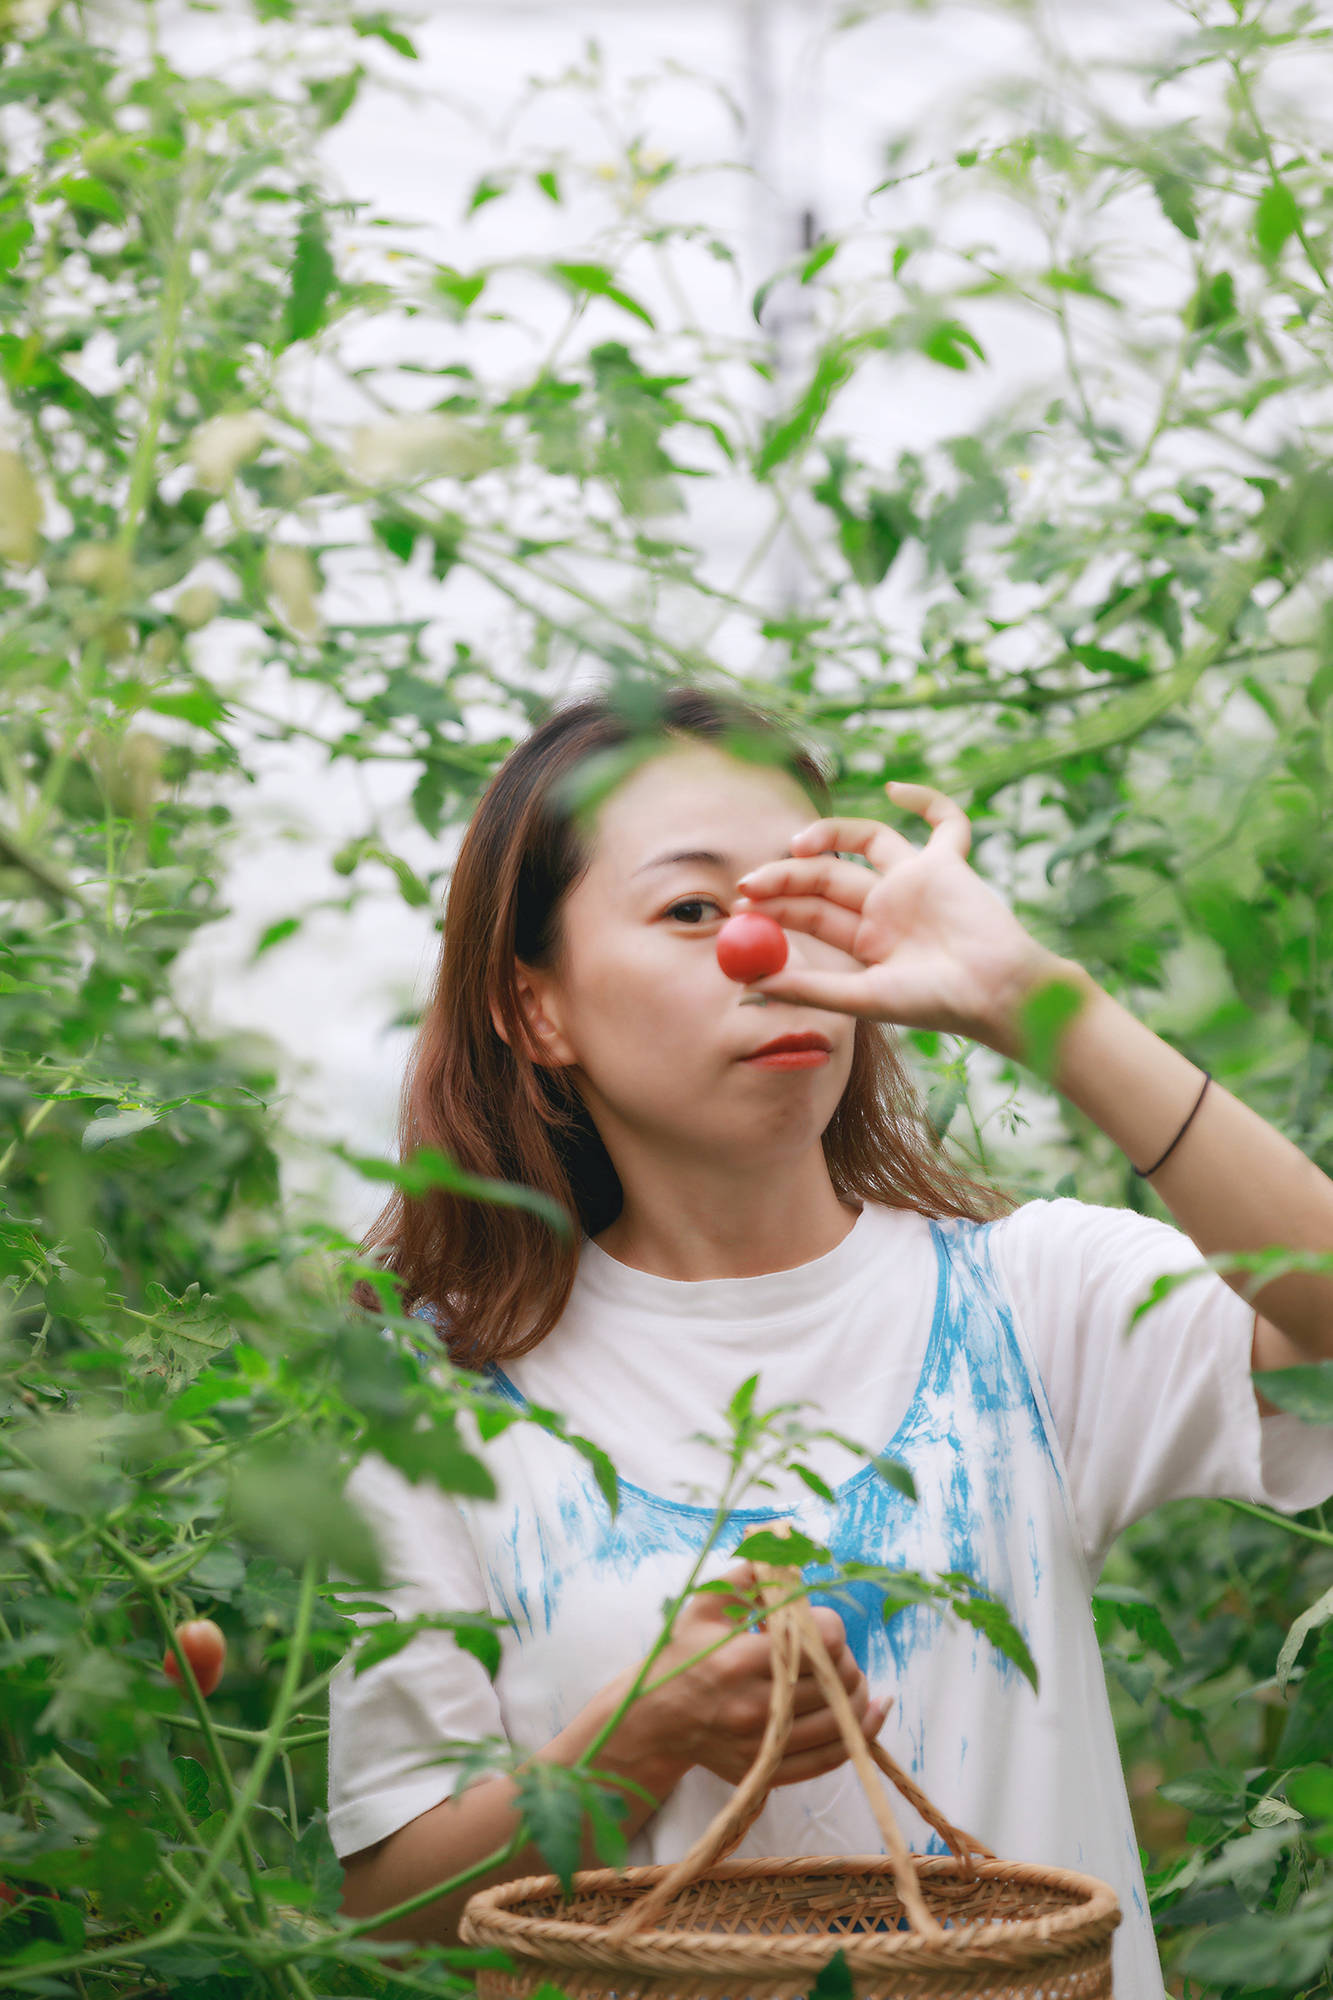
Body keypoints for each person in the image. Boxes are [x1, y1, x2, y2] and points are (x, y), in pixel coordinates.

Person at [329, 682, 1333, 1994]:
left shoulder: (1028, 1299)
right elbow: (390, 1914)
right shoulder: (443, 1412)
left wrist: (1034, 999)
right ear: (536, 1009)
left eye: (806, 903)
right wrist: (632, 1745)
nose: (766, 953)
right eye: (692, 910)